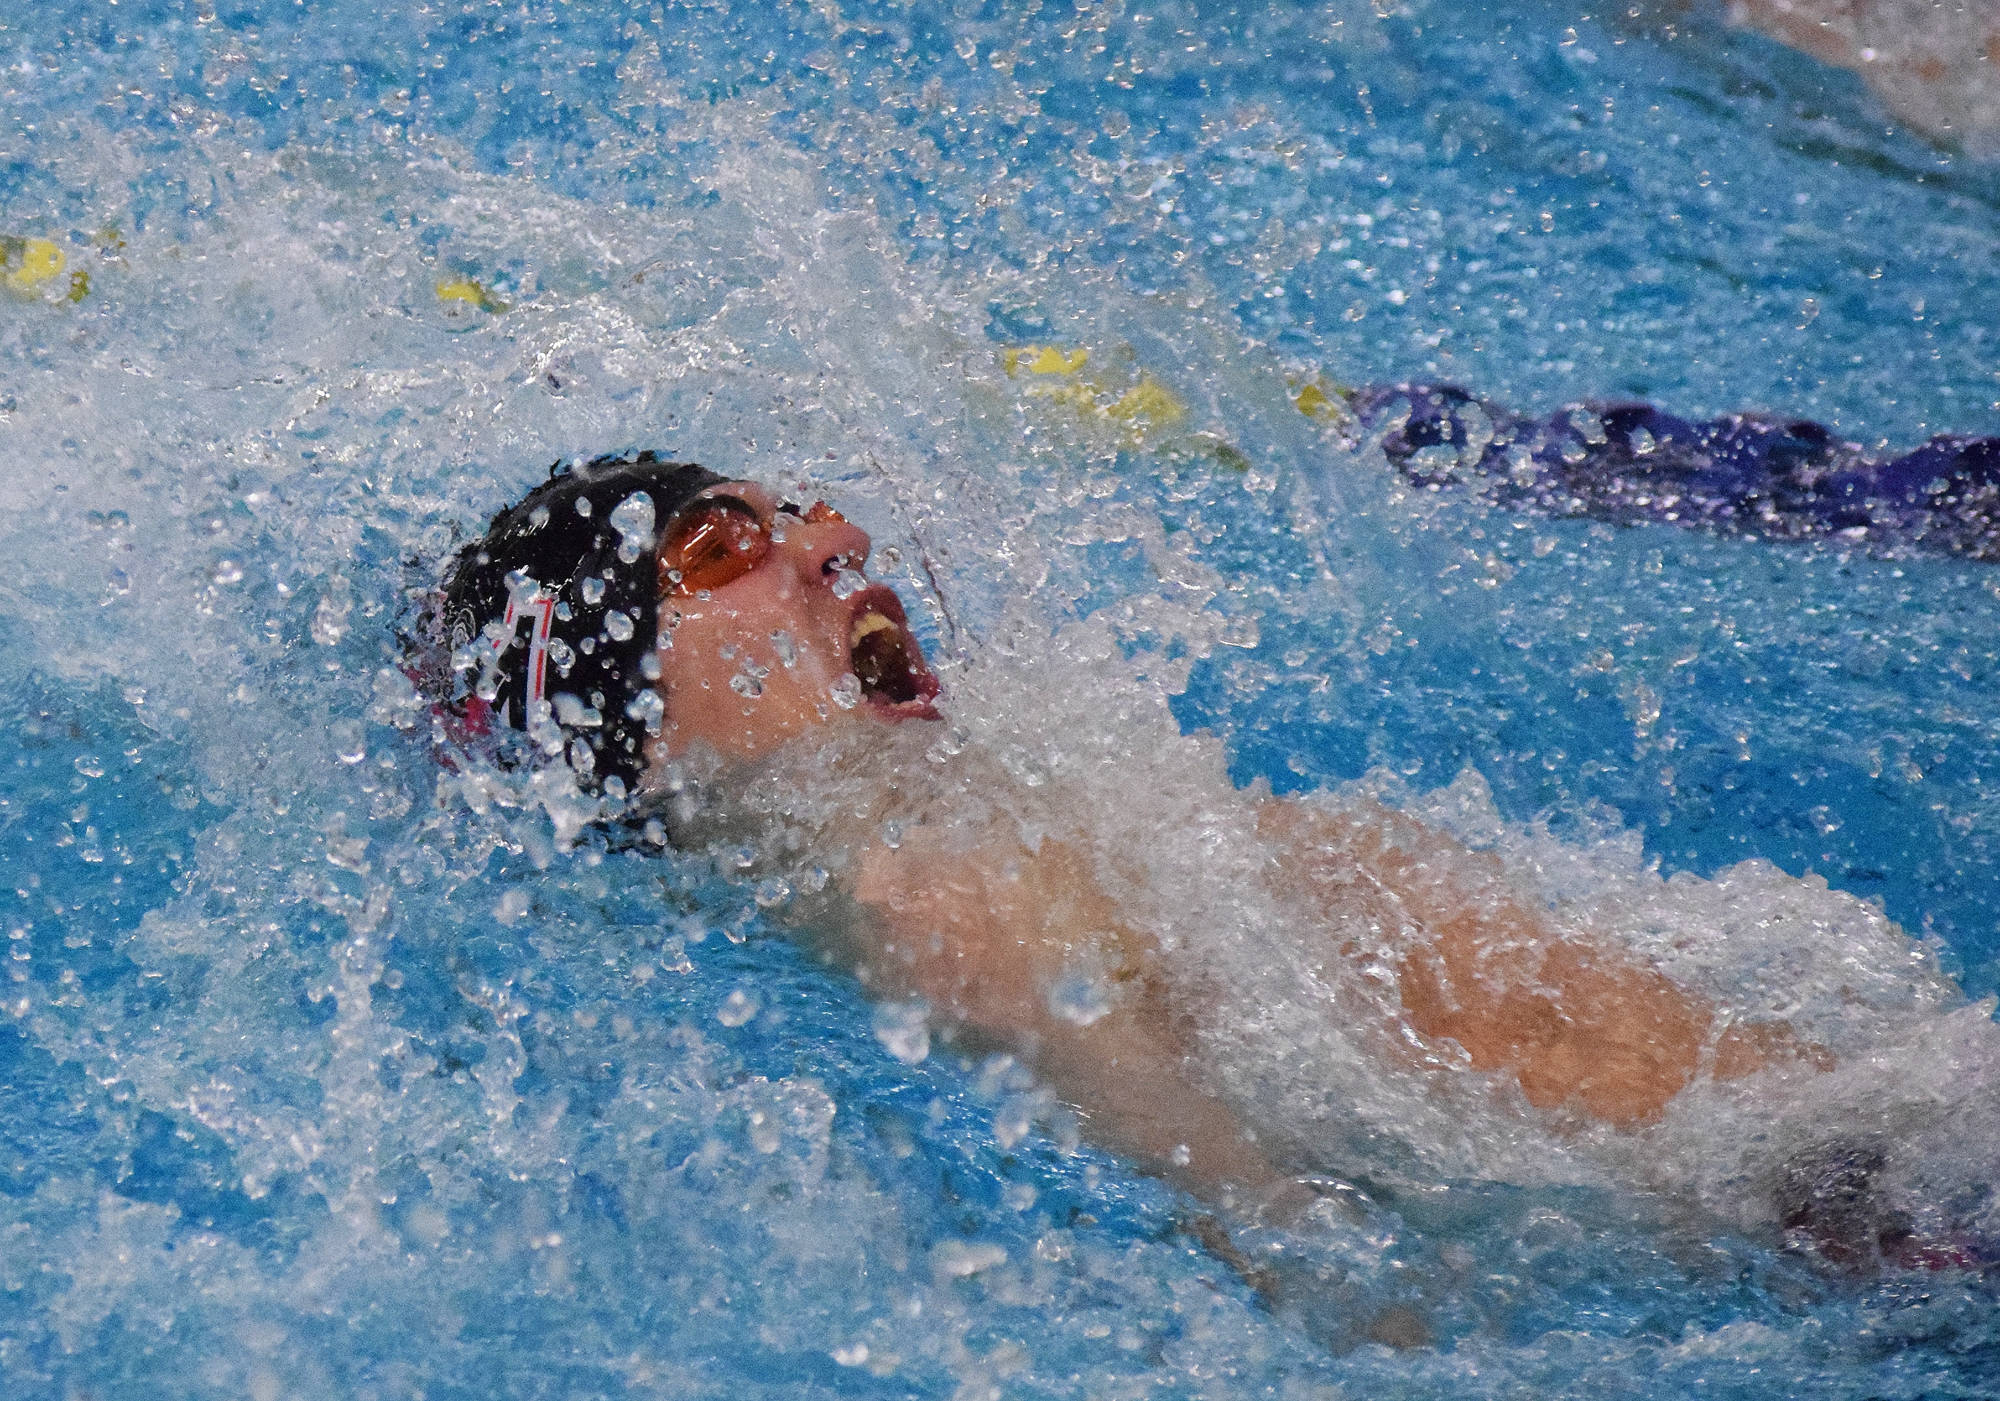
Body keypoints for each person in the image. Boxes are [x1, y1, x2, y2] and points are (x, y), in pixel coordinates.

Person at [411, 449, 1970, 1281]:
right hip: (1853, 1217)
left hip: (1851, 1165)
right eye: (716, 552)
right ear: (634, 742)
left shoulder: (1011, 808)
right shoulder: (925, 883)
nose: (835, 538)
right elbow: (1271, 1223)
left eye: (794, 505)